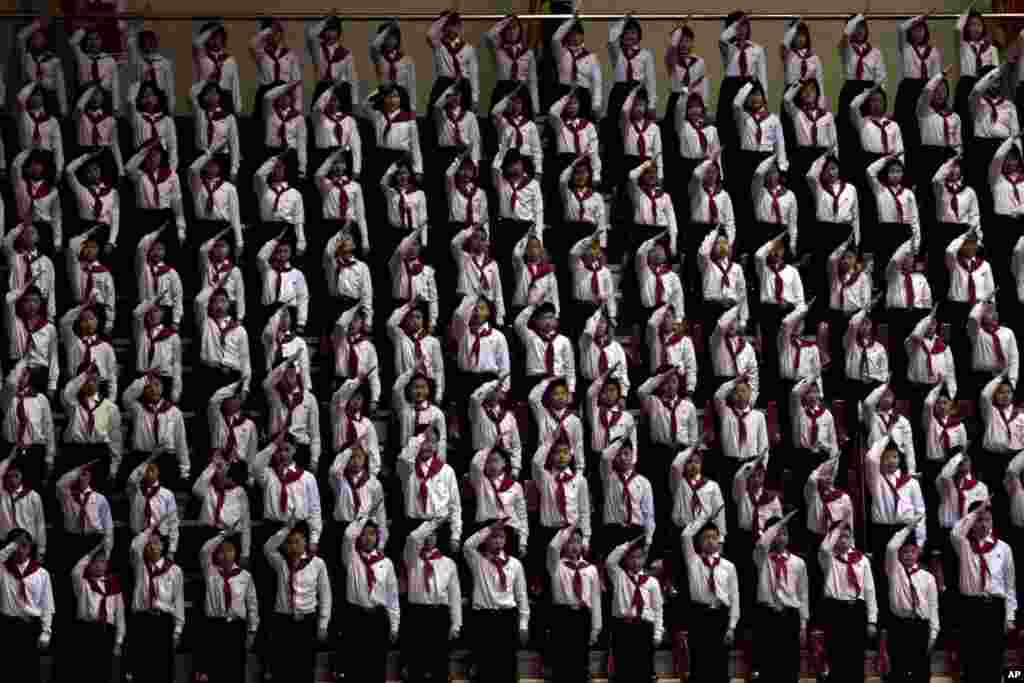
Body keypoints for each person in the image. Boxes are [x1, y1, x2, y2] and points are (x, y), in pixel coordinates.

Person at [951, 499, 1017, 682]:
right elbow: (956, 532)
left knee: (994, 660)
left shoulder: (1004, 548)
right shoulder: (963, 545)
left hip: (995, 607)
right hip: (970, 607)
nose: (983, 524)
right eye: (978, 520)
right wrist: (974, 512)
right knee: (971, 659)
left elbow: (1010, 585)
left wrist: (1010, 616)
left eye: (987, 519)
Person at [463, 519, 530, 683]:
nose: (497, 540)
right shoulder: (477, 561)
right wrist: (489, 528)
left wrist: (523, 624)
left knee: (507, 667)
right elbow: (467, 545)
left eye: (501, 537)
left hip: (507, 619)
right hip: (484, 619)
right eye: (493, 536)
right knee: (484, 667)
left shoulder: (515, 564)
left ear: (506, 540)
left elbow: (521, 596)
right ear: (486, 539)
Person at [263, 522, 331, 683]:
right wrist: (286, 528)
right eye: (290, 542)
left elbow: (326, 595)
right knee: (282, 668)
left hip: (307, 621)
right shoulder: (280, 562)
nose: (294, 545)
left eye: (298, 541)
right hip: (283, 621)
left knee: (305, 668)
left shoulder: (317, 563)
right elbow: (268, 547)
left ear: (306, 542)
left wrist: (323, 624)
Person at [682, 505, 740, 683]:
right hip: (699, 614)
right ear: (699, 542)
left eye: (714, 537)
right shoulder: (693, 561)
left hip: (720, 615)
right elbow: (685, 535)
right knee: (699, 662)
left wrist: (731, 626)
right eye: (705, 537)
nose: (709, 541)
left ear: (719, 542)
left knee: (720, 663)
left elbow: (735, 598)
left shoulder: (728, 566)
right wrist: (703, 517)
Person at [341, 514, 399, 683]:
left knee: (376, 667)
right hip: (355, 617)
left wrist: (394, 625)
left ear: (377, 538)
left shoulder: (386, 563)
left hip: (377, 619)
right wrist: (363, 517)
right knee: (354, 667)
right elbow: (347, 535)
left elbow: (392, 596)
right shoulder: (351, 557)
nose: (368, 538)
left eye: (372, 534)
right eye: (364, 534)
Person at [752, 511, 808, 683]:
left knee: (790, 667)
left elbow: (803, 594)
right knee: (769, 667)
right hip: (768, 616)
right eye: (777, 534)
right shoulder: (762, 559)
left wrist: (803, 624)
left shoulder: (798, 563)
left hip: (789, 616)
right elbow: (761, 545)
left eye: (784, 533)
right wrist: (776, 525)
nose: (781, 537)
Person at [403, 518, 462, 683]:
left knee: (440, 668)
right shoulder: (412, 559)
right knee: (416, 667)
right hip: (417, 615)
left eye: (433, 534)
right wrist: (434, 521)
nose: (429, 538)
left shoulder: (448, 563)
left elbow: (455, 596)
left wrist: (456, 624)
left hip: (439, 616)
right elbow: (413, 538)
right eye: (426, 534)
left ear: (437, 537)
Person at [819, 521, 877, 683]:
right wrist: (836, 528)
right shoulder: (828, 558)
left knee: (856, 658)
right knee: (836, 657)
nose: (843, 540)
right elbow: (824, 548)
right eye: (839, 537)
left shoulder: (862, 560)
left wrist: (872, 620)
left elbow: (869, 590)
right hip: (834, 610)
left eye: (847, 536)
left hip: (856, 611)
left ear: (852, 538)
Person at [198, 527, 258, 683]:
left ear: (235, 553)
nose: (225, 554)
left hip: (235, 629)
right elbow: (205, 551)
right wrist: (222, 535)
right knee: (214, 672)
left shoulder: (245, 576)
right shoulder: (211, 572)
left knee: (235, 672)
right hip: (214, 627)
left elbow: (252, 605)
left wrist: (252, 630)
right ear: (217, 555)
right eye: (221, 551)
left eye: (229, 551)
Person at [128, 517, 184, 683]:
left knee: (162, 670)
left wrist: (178, 629)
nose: (153, 546)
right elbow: (135, 545)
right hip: (141, 620)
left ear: (163, 546)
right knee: (141, 669)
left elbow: (178, 600)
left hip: (163, 621)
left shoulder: (174, 570)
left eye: (157, 543)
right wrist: (151, 528)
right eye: (150, 544)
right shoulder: (140, 566)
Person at [885, 519, 939, 683]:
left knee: (921, 672)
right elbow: (891, 547)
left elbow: (933, 607)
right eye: (905, 551)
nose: (908, 555)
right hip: (899, 626)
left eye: (912, 551)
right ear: (900, 554)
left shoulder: (928, 577)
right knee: (898, 671)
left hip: (920, 627)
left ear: (918, 553)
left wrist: (933, 632)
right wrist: (908, 529)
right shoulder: (894, 570)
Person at [547, 525, 601, 683]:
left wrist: (596, 628)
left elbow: (596, 599)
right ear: (564, 544)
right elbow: (552, 547)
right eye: (569, 542)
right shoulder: (556, 566)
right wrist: (568, 530)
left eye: (577, 541)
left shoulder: (591, 569)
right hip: (562, 616)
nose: (574, 546)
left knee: (581, 661)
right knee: (562, 661)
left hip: (583, 616)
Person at [395, 429, 462, 554]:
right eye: (424, 442)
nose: (427, 446)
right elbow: (404, 457)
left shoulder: (447, 471)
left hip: (439, 527)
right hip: (413, 525)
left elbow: (455, 505)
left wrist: (455, 535)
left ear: (437, 446)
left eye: (432, 442)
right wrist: (420, 437)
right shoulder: (407, 469)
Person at [0, 528, 54, 683]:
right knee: (7, 671)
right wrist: (12, 546)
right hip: (7, 626)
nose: (20, 550)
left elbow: (47, 605)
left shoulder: (42, 573)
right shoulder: (3, 570)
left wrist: (46, 632)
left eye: (24, 545)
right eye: (16, 546)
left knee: (30, 672)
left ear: (30, 547)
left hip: (30, 626)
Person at [121, 372, 189, 489]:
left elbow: (181, 442)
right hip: (141, 457)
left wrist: (185, 469)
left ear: (162, 388)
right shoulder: (138, 409)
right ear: (143, 390)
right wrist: (145, 379)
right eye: (149, 387)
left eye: (157, 385)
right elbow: (126, 397)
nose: (153, 389)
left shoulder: (174, 412)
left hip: (165, 460)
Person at [71, 540, 125, 683]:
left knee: (104, 673)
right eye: (96, 562)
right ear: (89, 565)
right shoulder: (83, 584)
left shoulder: (114, 585)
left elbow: (119, 616)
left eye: (103, 562)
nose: (100, 565)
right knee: (86, 672)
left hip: (106, 632)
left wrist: (118, 641)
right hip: (86, 631)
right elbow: (76, 570)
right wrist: (94, 550)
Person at [1, 361, 56, 491]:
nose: (21, 378)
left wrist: (49, 457)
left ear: (30, 376)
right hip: (10, 450)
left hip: (34, 452)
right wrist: (22, 363)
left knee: (33, 491)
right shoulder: (6, 398)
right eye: (18, 375)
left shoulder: (41, 399)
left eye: (24, 374)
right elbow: (9, 384)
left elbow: (49, 430)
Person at [126, 455, 179, 563]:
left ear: (158, 472)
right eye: (147, 469)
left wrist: (171, 550)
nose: (150, 470)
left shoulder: (167, 494)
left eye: (153, 468)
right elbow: (132, 480)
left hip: (160, 538)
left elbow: (173, 523)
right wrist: (147, 461)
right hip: (139, 538)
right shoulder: (135, 491)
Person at [16, 18, 69, 116]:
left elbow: (60, 85)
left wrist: (63, 109)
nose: (36, 40)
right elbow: (20, 37)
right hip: (30, 96)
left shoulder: (54, 60)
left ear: (45, 40)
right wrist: (37, 24)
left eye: (39, 37)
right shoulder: (27, 57)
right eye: (34, 38)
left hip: (49, 98)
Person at [190, 84, 241, 182]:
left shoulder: (229, 118)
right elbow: (193, 92)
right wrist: (207, 81)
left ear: (220, 96)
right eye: (208, 93)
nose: (211, 95)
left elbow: (234, 145)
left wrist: (234, 169)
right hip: (201, 158)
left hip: (221, 160)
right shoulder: (199, 114)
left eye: (215, 93)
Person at [0, 456, 46, 561]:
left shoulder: (33, 496)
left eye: (16, 476)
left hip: (27, 546)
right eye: (9, 476)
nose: (12, 479)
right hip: (5, 546)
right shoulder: (2, 495)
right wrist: (10, 458)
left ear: (22, 476)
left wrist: (41, 549)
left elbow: (40, 524)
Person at [193, 22, 241, 113]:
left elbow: (235, 84)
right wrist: (214, 29)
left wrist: (237, 105)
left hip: (225, 99)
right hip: (206, 97)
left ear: (223, 38)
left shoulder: (230, 60)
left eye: (218, 36)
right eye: (211, 37)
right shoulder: (202, 56)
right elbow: (197, 42)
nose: (215, 40)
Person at [369, 20, 417, 109]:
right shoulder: (379, 57)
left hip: (401, 96)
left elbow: (411, 85)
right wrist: (388, 29)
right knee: (367, 105)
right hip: (384, 95)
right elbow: (374, 46)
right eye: (386, 38)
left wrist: (412, 107)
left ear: (397, 39)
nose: (389, 41)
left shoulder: (406, 60)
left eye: (393, 38)